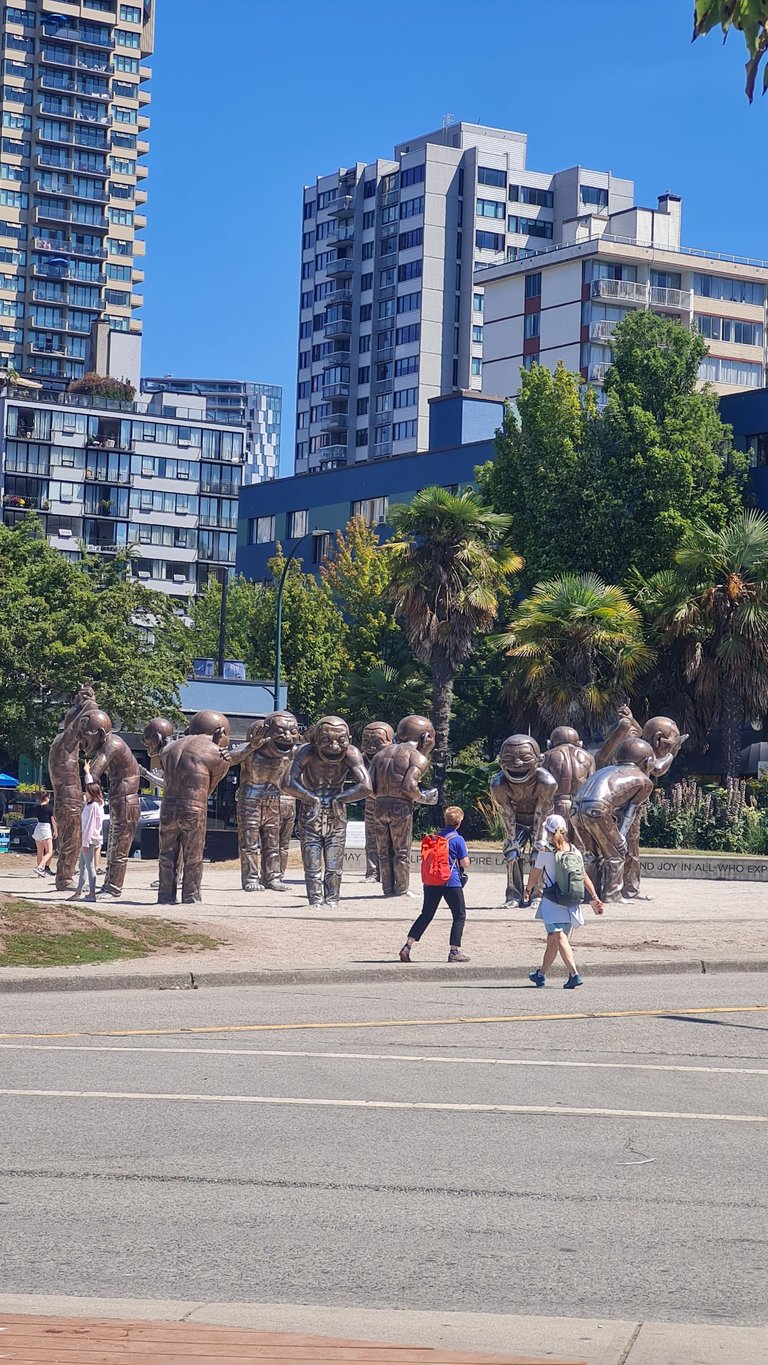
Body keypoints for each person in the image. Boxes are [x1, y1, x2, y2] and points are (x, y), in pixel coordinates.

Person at [524, 813, 604, 989]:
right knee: (554, 939)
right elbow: (583, 876)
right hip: (571, 901)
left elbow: (535, 874)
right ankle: (540, 975)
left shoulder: (545, 852)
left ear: (548, 832)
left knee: (558, 936)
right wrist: (595, 897)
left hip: (553, 900)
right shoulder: (574, 850)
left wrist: (528, 890)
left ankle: (574, 974)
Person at [399, 805, 471, 964]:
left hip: (431, 881)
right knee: (459, 915)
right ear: (459, 822)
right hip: (450, 881)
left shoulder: (434, 838)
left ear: (445, 821)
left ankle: (407, 946)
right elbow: (464, 863)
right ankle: (454, 951)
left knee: (426, 914)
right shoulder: (458, 839)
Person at [70, 782, 105, 902]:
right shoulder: (91, 804)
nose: (85, 793)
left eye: (87, 791)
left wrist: (85, 842)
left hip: (89, 839)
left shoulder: (94, 806)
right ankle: (78, 891)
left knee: (89, 866)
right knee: (82, 866)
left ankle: (92, 894)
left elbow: (90, 825)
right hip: (87, 837)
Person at [32, 790, 56, 877]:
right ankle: (40, 867)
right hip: (45, 828)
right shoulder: (49, 808)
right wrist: (56, 830)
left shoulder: (37, 807)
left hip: (38, 827)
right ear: (47, 798)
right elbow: (53, 820)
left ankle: (40, 872)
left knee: (40, 852)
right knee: (49, 852)